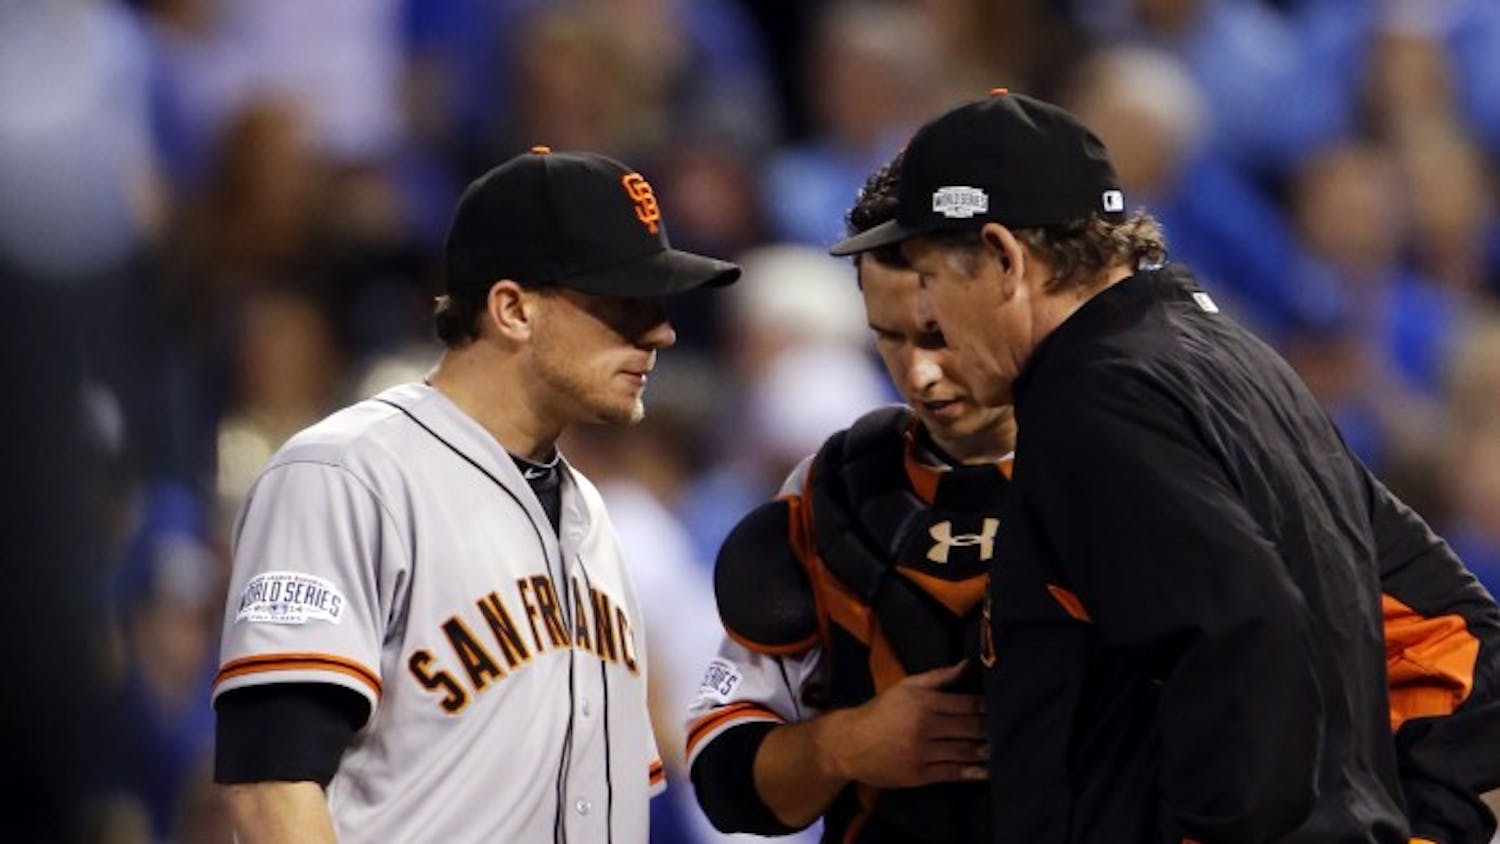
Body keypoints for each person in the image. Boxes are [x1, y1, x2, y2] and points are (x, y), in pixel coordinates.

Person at [829, 90, 1500, 843]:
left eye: (932, 280)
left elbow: (1247, 633)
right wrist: (1431, 827)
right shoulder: (1238, 359)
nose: (934, 322)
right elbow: (1449, 625)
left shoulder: (1093, 401)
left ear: (1004, 259)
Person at [211, 147, 740, 843]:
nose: (662, 331)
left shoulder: (595, 519)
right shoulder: (347, 475)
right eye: (624, 303)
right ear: (513, 309)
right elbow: (271, 788)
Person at [684, 157, 1005, 842]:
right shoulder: (834, 490)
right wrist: (846, 745)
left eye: (937, 334)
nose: (919, 373)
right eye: (889, 338)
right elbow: (722, 767)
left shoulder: (1121, 469)